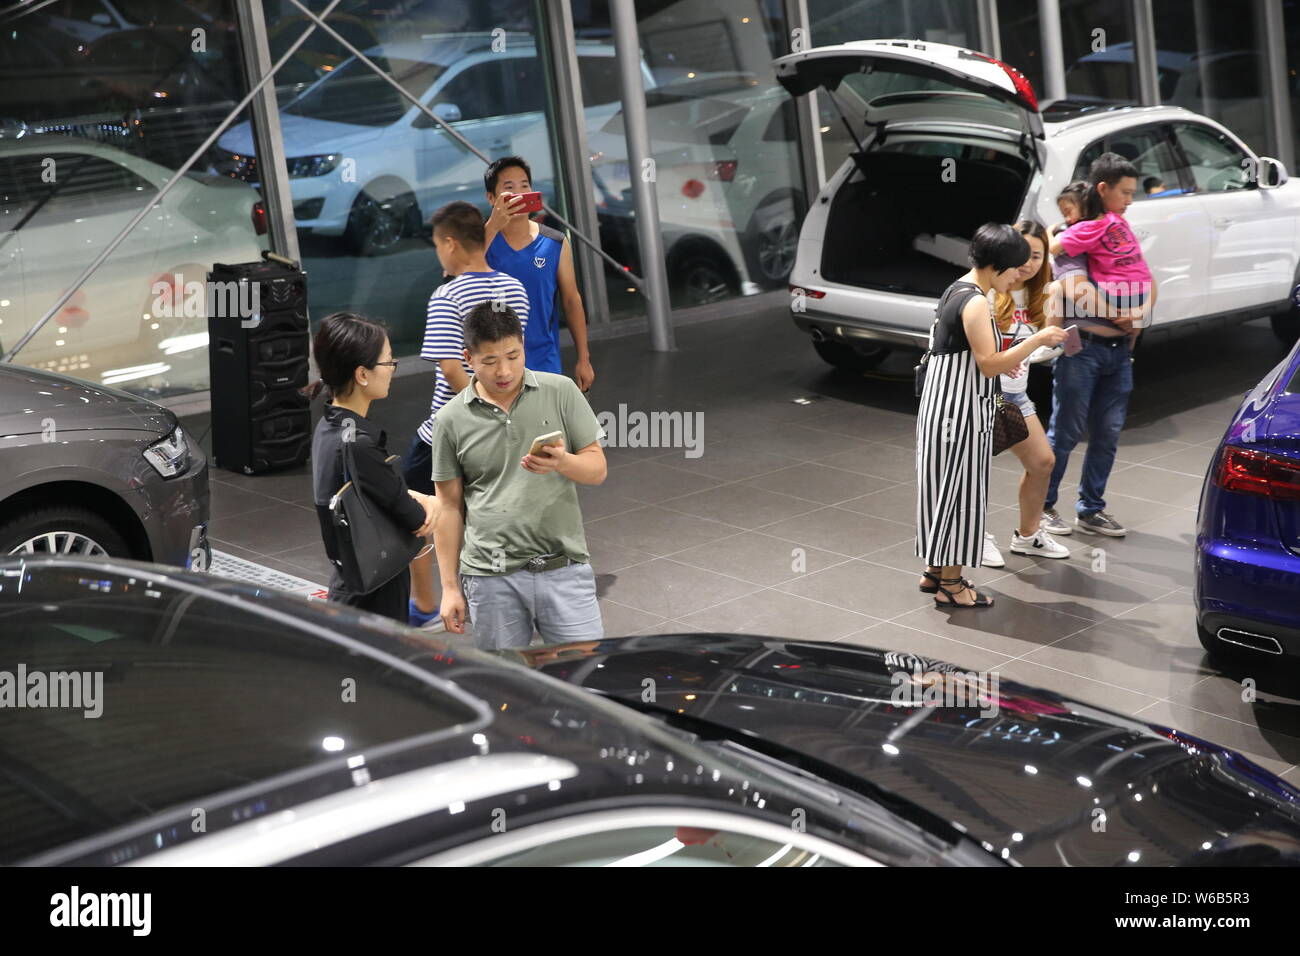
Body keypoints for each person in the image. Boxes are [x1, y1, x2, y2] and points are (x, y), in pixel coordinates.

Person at [432, 302, 607, 648]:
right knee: (506, 693)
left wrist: (562, 463)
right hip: (489, 578)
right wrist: (450, 588)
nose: (504, 371)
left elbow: (597, 469)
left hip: (564, 568)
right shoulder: (450, 420)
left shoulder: (561, 391)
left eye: (513, 356)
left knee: (585, 680)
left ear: (523, 345)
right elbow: (449, 507)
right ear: (468, 358)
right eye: (490, 361)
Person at [915, 224, 1069, 607]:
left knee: (941, 489)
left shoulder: (956, 288)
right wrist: (1036, 340)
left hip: (941, 407)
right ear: (997, 265)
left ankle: (935, 570)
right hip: (962, 409)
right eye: (1015, 269)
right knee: (962, 492)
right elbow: (988, 364)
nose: (1019, 275)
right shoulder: (977, 301)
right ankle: (953, 584)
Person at [404, 201, 531, 628]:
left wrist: (480, 411)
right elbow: (510, 362)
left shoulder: (447, 295)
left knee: (411, 507)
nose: (438, 255)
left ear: (451, 244)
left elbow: (451, 367)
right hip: (509, 421)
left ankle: (425, 604)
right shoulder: (514, 288)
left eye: (438, 246)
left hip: (449, 428)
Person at [1042, 154, 1157, 537]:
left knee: (1107, 434)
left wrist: (1137, 314)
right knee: (1066, 433)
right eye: (1124, 192)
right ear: (1102, 190)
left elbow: (1147, 279)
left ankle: (1090, 509)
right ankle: (1041, 508)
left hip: (1119, 352)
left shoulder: (1116, 226)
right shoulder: (1076, 234)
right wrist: (1122, 317)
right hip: (1082, 349)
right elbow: (1076, 289)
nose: (1130, 200)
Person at [308, 312, 438, 623]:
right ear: (363, 374)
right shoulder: (358, 444)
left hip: (352, 587)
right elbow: (417, 520)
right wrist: (430, 502)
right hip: (374, 600)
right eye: (388, 362)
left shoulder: (329, 427)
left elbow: (384, 493)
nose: (393, 370)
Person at [986, 219, 1071, 563]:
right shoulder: (990, 289)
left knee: (1042, 461)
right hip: (983, 393)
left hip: (1016, 394)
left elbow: (1042, 344)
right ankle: (974, 536)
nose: (1028, 263)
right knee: (974, 470)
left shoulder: (1045, 292)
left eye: (1036, 255)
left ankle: (1028, 534)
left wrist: (1051, 344)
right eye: (1022, 253)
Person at [482, 155, 596, 391]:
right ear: (491, 198)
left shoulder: (554, 242)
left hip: (544, 359)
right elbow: (460, 273)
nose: (520, 193)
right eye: (509, 188)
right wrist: (492, 226)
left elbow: (571, 300)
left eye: (525, 186)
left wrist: (583, 359)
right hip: (494, 364)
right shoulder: (482, 241)